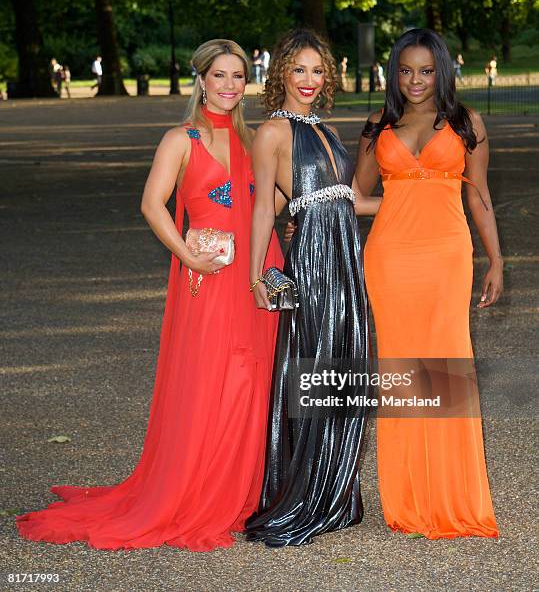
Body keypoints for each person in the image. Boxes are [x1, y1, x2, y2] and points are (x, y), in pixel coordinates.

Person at [16, 39, 285, 552]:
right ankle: (197, 492)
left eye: (237, 75)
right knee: (211, 380)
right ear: (201, 79)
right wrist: (187, 254)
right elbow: (151, 204)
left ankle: (240, 491)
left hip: (256, 268)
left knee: (252, 381)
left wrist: (280, 228)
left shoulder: (257, 140)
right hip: (207, 273)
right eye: (219, 75)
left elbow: (271, 198)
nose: (229, 85)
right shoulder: (179, 139)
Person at [356, 28, 501, 539]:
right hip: (391, 258)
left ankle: (452, 495)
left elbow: (478, 196)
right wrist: (307, 210)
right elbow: (356, 197)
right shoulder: (379, 126)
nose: (415, 80)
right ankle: (408, 498)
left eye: (426, 70)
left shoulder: (466, 123)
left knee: (445, 364)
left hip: (446, 257)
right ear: (393, 73)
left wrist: (497, 260)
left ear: (442, 71)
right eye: (405, 70)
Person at [246, 29, 380, 548]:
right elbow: (265, 206)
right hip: (316, 264)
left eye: (317, 70)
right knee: (316, 365)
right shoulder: (273, 132)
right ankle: (303, 494)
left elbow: (342, 200)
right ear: (280, 72)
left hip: (346, 258)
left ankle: (333, 491)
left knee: (347, 366)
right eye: (299, 69)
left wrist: (419, 201)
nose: (308, 80)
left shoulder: (325, 127)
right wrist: (257, 274)